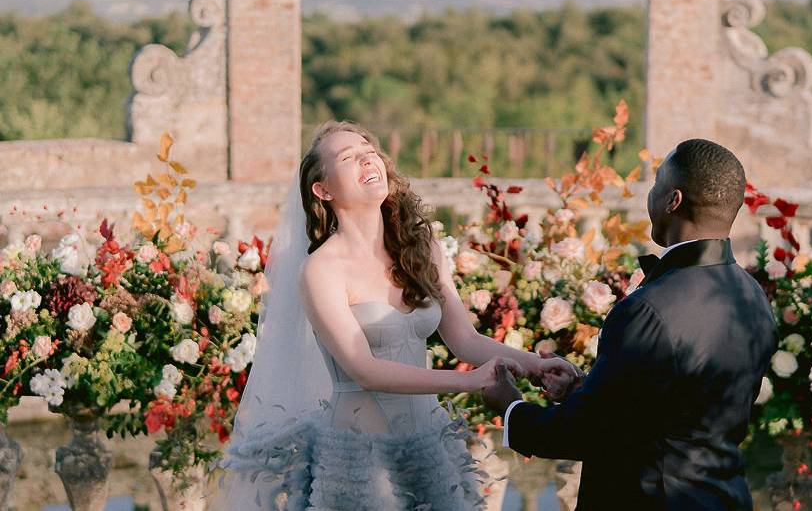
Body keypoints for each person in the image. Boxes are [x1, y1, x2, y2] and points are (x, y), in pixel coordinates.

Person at [212, 120, 575, 511]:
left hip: (426, 443)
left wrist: (538, 367)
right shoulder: (321, 270)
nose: (368, 160)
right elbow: (364, 370)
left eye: (370, 152)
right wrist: (469, 381)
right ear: (323, 189)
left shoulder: (423, 248)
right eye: (349, 157)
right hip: (358, 456)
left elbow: (464, 340)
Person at [483, 138, 778, 510]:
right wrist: (581, 389)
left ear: (673, 200)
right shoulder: (753, 297)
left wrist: (511, 408)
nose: (649, 195)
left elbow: (586, 433)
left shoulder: (649, 309)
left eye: (655, 184)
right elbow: (675, 409)